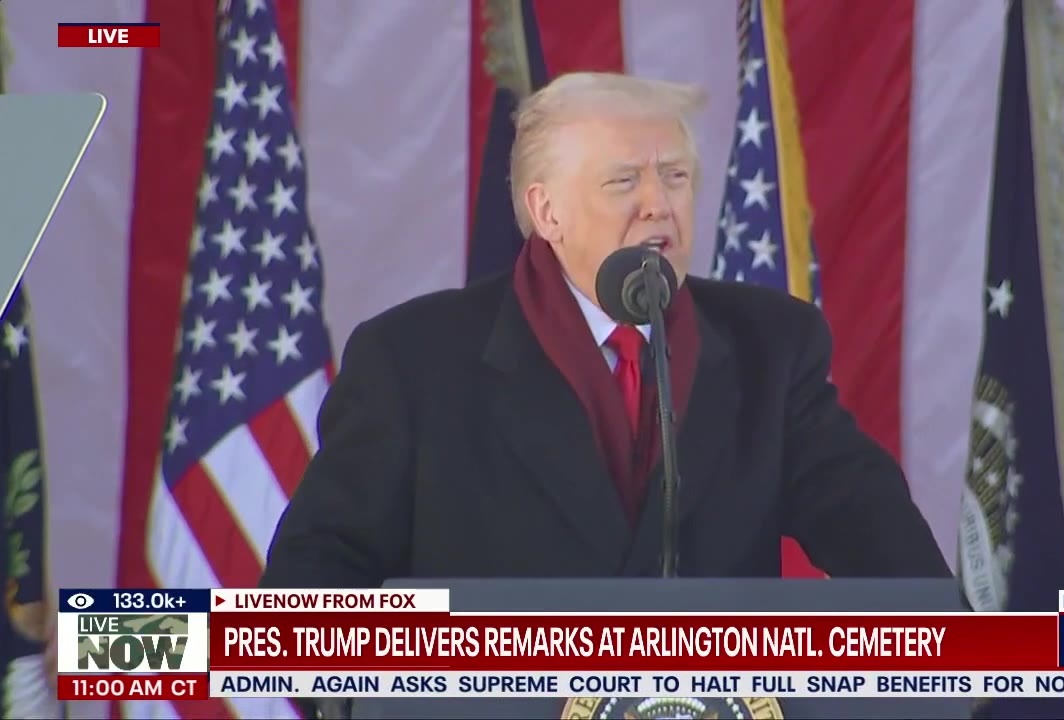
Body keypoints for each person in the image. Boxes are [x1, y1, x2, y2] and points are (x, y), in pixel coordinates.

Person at [259, 72, 949, 589]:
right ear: (547, 210)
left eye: (675, 177)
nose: (660, 205)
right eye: (624, 182)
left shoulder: (772, 345)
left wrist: (957, 646)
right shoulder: (414, 361)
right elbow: (311, 585)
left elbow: (871, 527)